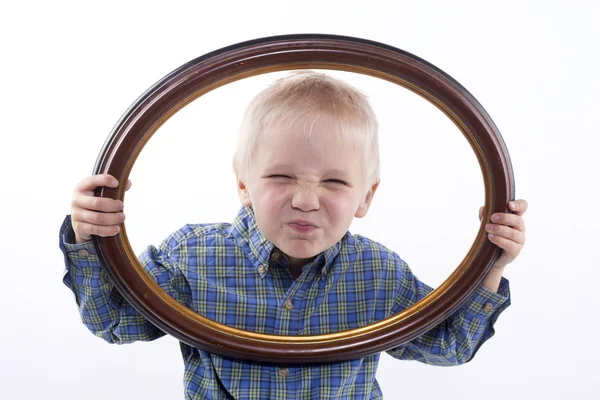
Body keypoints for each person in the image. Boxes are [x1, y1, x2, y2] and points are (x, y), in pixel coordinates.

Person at [59, 70, 528, 399]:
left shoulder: (378, 273)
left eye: (335, 182)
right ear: (244, 183)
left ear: (366, 197)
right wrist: (88, 238)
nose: (306, 199)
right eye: (281, 177)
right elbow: (115, 323)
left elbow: (449, 345)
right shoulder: (193, 256)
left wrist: (492, 263)